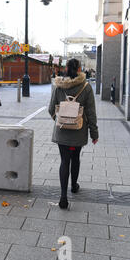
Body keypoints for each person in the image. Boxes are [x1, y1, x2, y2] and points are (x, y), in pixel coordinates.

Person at [49, 59, 99, 210]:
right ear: (79, 69)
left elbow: (51, 109)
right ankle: (74, 186)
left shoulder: (59, 87)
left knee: (64, 161)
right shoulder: (86, 87)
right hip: (78, 131)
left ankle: (63, 197)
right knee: (75, 158)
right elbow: (91, 113)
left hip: (62, 132)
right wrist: (94, 133)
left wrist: (60, 120)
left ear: (65, 68)